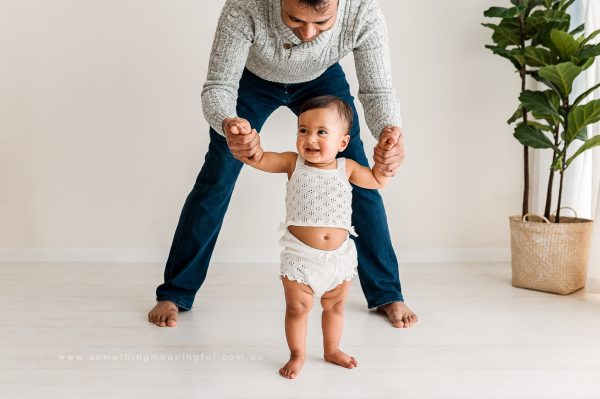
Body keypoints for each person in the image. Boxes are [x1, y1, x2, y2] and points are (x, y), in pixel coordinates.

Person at [148, 0, 418, 329]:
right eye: (295, 19)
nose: (307, 34)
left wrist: (390, 132)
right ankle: (175, 293)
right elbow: (218, 86)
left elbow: (377, 90)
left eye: (321, 23)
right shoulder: (244, 8)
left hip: (321, 80)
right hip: (252, 81)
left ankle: (387, 293)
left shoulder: (363, 12)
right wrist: (229, 123)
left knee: (359, 180)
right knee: (215, 182)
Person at [244, 95, 392, 378]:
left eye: (321, 132)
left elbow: (376, 181)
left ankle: (332, 349)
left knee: (335, 307)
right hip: (300, 256)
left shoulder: (346, 168)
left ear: (342, 143)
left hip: (340, 258)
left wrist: (384, 161)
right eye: (303, 130)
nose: (310, 138)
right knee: (298, 308)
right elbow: (259, 159)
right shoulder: (292, 163)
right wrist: (248, 144)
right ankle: (297, 354)